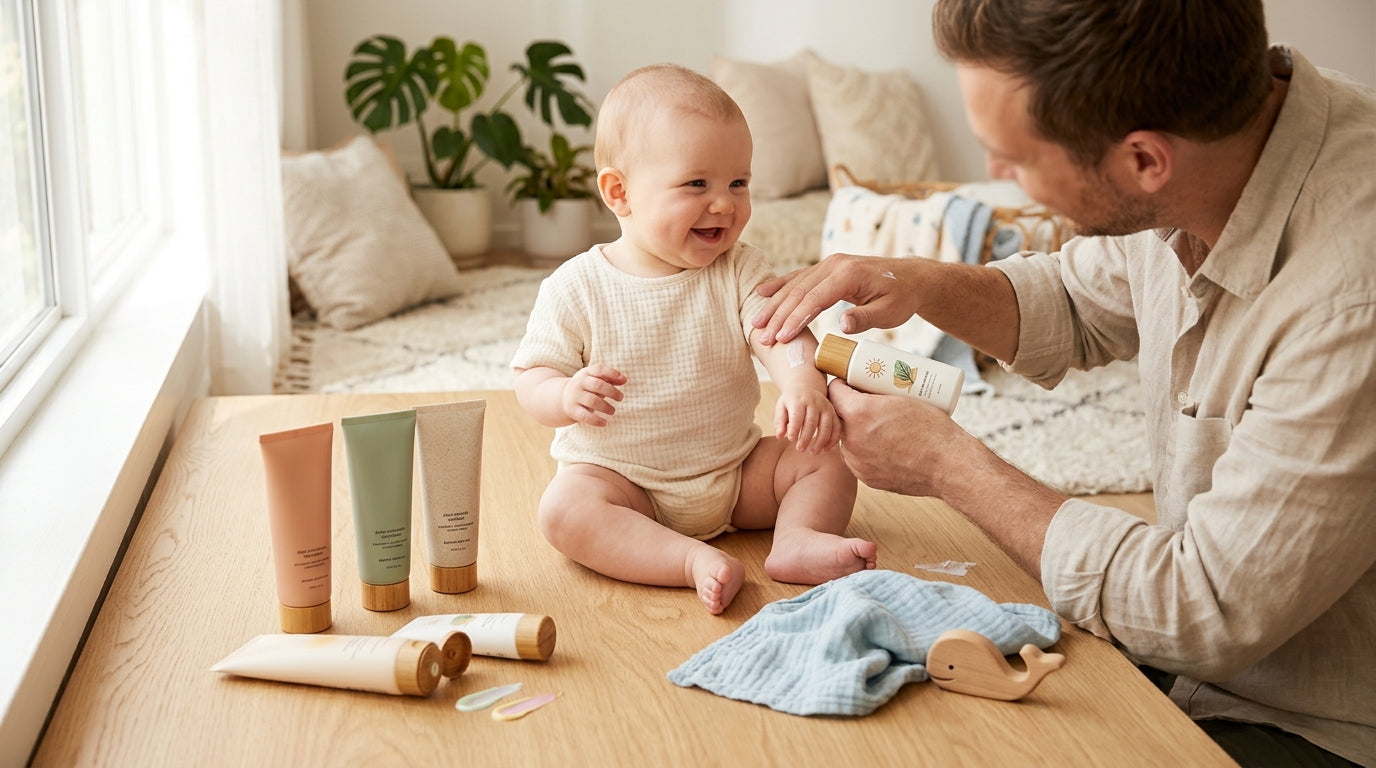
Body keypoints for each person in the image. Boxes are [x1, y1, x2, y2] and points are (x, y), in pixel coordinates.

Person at [752, 1, 1374, 764]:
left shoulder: (1350, 300)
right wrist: (918, 280)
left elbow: (1198, 612)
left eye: (1011, 157)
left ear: (1143, 161)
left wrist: (949, 465)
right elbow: (1079, 301)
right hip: (1193, 656)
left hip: (1313, 722)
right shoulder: (1216, 146)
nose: (993, 177)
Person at [511, 63, 876, 615]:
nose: (725, 203)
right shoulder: (576, 286)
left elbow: (778, 332)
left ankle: (797, 540)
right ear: (620, 193)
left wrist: (803, 384)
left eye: (738, 182)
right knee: (564, 510)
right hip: (624, 484)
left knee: (829, 458)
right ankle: (684, 560)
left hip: (735, 470)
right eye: (696, 184)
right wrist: (563, 396)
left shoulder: (738, 268)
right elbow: (532, 376)